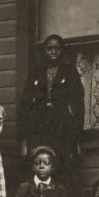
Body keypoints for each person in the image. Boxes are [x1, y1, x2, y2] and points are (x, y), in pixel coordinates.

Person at [19, 34, 85, 183]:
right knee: (41, 164)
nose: (54, 52)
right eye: (50, 49)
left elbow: (78, 105)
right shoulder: (35, 72)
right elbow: (25, 104)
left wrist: (76, 135)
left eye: (58, 48)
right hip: (39, 127)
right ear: (44, 51)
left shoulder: (69, 72)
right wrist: (24, 139)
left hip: (62, 127)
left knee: (62, 166)